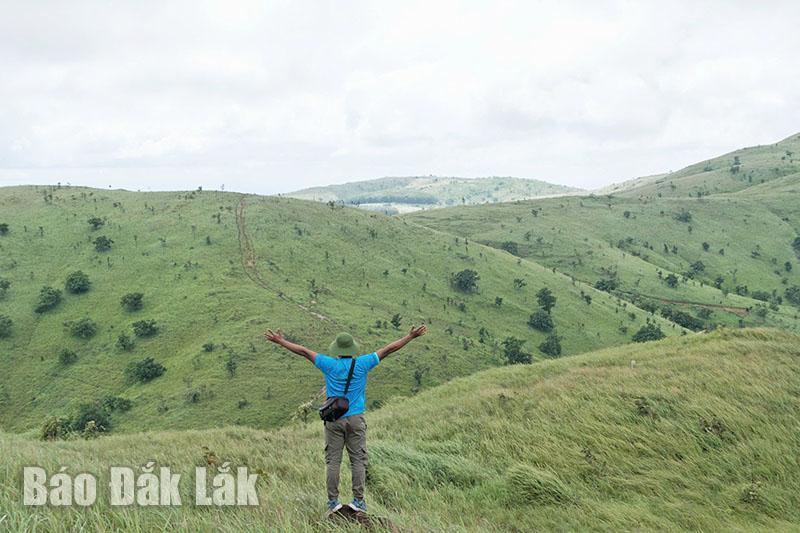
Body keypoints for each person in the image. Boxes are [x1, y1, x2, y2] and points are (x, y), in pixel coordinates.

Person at [264, 325, 427, 515]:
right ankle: (359, 502)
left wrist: (280, 341)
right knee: (358, 460)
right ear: (352, 350)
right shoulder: (364, 363)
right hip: (356, 419)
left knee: (333, 461)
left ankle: (333, 503)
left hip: (334, 419)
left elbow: (303, 352)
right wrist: (410, 336)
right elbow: (388, 349)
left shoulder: (328, 364)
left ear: (337, 351)